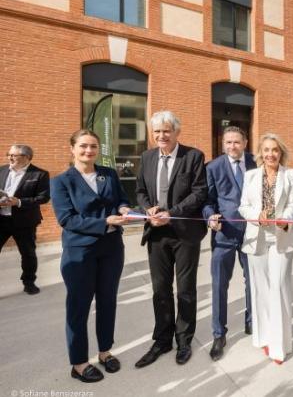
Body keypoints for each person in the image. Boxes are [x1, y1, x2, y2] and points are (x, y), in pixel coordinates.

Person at [51, 129, 130, 383]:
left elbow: (121, 198)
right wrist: (104, 221)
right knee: (79, 307)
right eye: (83, 146)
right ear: (72, 148)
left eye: (93, 146)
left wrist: (124, 208)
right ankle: (79, 363)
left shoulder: (108, 173)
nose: (89, 151)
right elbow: (67, 218)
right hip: (80, 252)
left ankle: (105, 351)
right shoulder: (61, 181)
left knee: (107, 301)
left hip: (111, 249)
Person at [134, 111, 208, 367]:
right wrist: (149, 209)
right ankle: (163, 340)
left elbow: (199, 193)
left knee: (185, 289)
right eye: (156, 131)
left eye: (166, 131)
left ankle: (184, 339)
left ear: (177, 132)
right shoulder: (147, 157)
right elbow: (141, 191)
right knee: (160, 289)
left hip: (185, 233)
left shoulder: (194, 156)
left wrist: (172, 213)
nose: (161, 136)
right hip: (156, 232)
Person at [238, 133, 293, 364]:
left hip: (281, 238)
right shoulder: (251, 176)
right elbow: (243, 206)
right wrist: (256, 216)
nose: (271, 154)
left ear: (280, 152)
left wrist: (285, 218)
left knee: (279, 287)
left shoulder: (290, 174)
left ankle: (280, 345)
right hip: (256, 238)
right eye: (266, 150)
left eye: (275, 150)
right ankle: (264, 337)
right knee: (261, 289)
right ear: (260, 153)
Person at [203, 126, 256, 361]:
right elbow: (208, 201)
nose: (232, 146)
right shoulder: (213, 167)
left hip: (252, 234)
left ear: (245, 142)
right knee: (219, 285)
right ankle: (219, 334)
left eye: (236, 142)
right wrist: (209, 216)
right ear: (223, 144)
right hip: (223, 234)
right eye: (228, 143)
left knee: (252, 282)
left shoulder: (257, 162)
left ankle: (252, 322)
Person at [0, 144, 50, 295]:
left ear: (27, 157)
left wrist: (19, 202)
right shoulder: (1, 170)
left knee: (28, 253)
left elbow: (43, 198)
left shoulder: (39, 174)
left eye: (14, 155)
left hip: (24, 222)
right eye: (9, 154)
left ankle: (29, 282)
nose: (10, 157)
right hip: (1, 219)